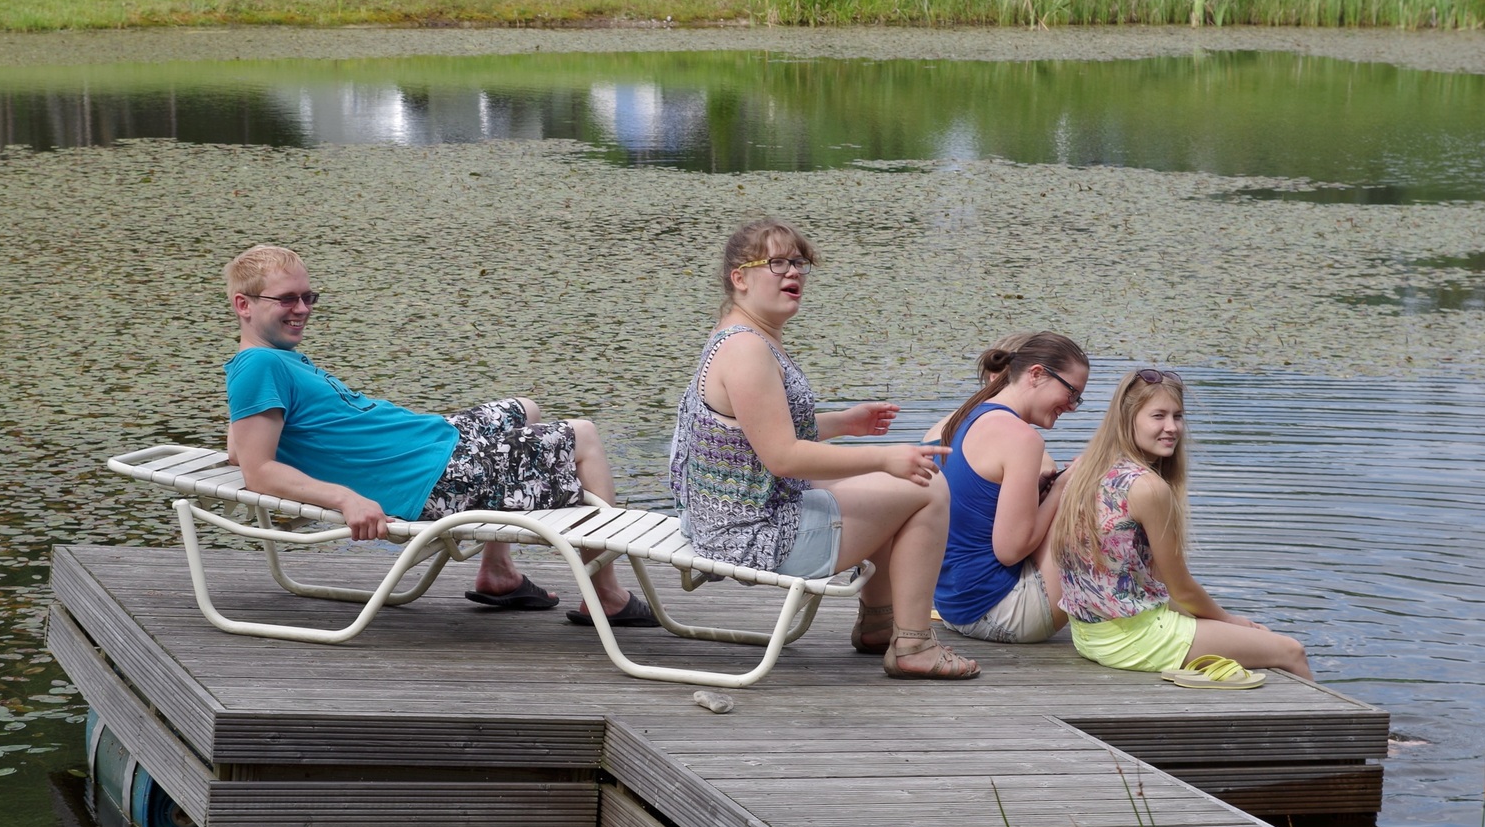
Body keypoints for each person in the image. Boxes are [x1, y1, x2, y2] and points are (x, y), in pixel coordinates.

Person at [220, 244, 656, 627]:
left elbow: (239, 449)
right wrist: (346, 498)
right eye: (287, 299)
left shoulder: (270, 358)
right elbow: (258, 470)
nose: (302, 309)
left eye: (308, 297)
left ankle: (499, 573)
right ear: (244, 305)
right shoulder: (260, 365)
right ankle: (605, 594)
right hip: (434, 478)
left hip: (431, 445)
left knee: (525, 409)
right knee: (584, 436)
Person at [669, 219, 978, 680]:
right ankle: (914, 645)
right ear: (740, 278)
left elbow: (755, 434)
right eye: (777, 263)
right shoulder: (746, 350)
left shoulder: (742, 335)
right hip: (750, 536)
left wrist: (844, 423)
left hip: (735, 516)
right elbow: (782, 457)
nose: (793, 272)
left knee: (889, 485)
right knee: (927, 488)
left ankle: (880, 625)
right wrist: (884, 457)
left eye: (798, 263)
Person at [1050, 368, 1313, 680]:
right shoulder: (1147, 487)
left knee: (1244, 636)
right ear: (1127, 419)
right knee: (1291, 651)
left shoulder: (1085, 472)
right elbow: (1180, 587)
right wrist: (1230, 620)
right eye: (1158, 416)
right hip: (1137, 639)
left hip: (1090, 637)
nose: (1172, 427)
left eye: (1178, 416)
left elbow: (1153, 582)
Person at [933, 333, 1088, 645]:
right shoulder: (1021, 438)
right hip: (1002, 614)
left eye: (1078, 398)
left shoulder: (964, 415)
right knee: (1089, 492)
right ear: (1036, 374)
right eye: (1071, 392)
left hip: (952, 607)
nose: (1072, 406)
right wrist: (1063, 487)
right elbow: (1010, 551)